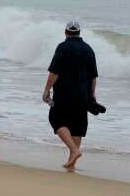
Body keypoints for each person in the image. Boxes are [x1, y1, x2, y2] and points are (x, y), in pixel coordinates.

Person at [42, 19, 98, 171]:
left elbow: (54, 72)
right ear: (79, 32)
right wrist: (92, 96)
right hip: (82, 96)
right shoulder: (88, 49)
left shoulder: (63, 47)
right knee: (76, 128)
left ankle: (74, 151)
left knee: (55, 118)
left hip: (64, 94)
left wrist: (47, 90)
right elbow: (93, 77)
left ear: (66, 32)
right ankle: (72, 163)